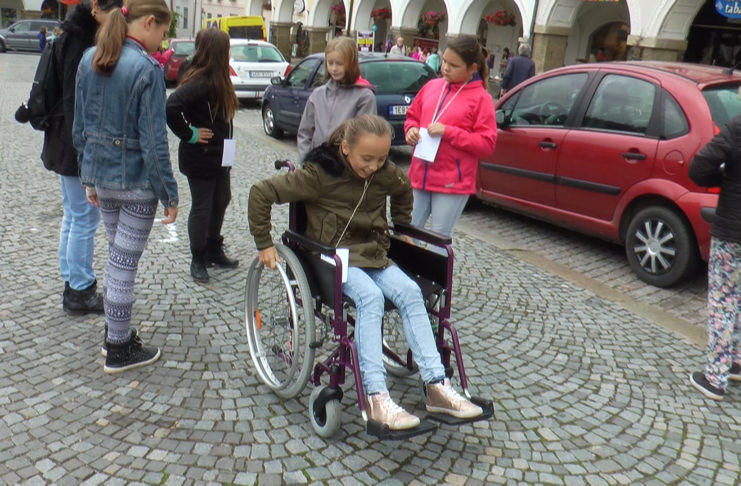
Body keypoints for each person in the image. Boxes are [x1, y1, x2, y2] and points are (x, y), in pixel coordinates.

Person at [248, 114, 483, 430]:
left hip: (373, 254)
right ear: (345, 148)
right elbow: (261, 192)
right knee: (371, 298)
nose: (374, 166)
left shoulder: (384, 174)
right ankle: (376, 396)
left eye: (382, 158)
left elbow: (403, 189)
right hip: (332, 260)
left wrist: (402, 226)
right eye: (367, 158)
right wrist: (264, 243)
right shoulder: (318, 175)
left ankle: (436, 385)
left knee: (411, 292)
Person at [73, 0, 178, 373]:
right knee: (123, 265)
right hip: (135, 185)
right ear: (148, 22)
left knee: (117, 259)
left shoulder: (89, 59)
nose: (162, 42)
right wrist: (169, 193)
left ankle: (114, 334)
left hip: (103, 181)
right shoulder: (147, 69)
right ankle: (118, 347)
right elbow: (154, 142)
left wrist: (88, 178)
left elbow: (80, 128)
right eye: (162, 32)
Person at [41, 0, 123, 316]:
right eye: (115, 12)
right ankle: (80, 289)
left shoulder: (72, 34)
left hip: (63, 140)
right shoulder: (80, 41)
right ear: (97, 9)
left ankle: (71, 281)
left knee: (74, 214)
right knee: (85, 218)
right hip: (71, 144)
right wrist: (84, 152)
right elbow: (74, 100)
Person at [404, 35, 497, 240]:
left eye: (453, 65)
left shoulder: (481, 99)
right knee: (406, 233)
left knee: (438, 240)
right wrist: (411, 130)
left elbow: (487, 144)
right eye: (444, 61)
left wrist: (449, 132)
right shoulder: (432, 86)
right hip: (419, 174)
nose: (445, 68)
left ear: (472, 68)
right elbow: (412, 116)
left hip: (451, 182)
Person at [166, 28, 240, 283]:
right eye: (227, 50)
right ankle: (198, 258)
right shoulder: (201, 80)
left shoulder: (216, 76)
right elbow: (172, 106)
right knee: (203, 206)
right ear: (218, 52)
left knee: (222, 199)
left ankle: (212, 248)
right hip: (201, 156)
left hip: (220, 154)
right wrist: (191, 134)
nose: (229, 54)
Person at [688, 117, 741, 400]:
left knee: (723, 301)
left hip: (733, 233)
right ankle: (736, 361)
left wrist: (724, 179)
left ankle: (715, 378)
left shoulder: (737, 127)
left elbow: (699, 167)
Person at [296, 36, 375, 163]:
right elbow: (305, 132)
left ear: (351, 63)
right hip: (316, 165)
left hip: (344, 167)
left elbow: (365, 137)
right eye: (330, 63)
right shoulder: (318, 95)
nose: (334, 68)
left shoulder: (364, 97)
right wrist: (306, 160)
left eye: (339, 64)